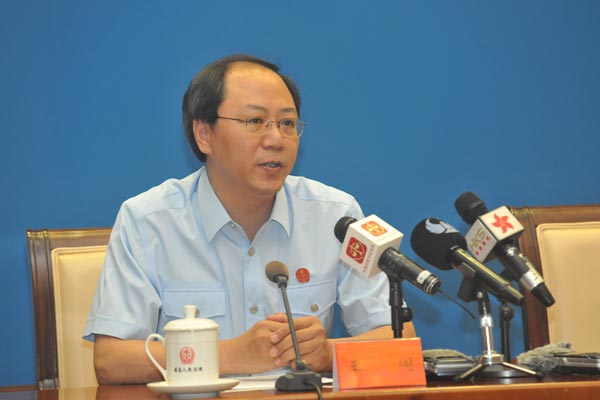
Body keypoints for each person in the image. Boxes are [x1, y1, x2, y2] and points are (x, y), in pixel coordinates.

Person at [84, 54, 416, 385]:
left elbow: (399, 339)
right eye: (255, 121)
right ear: (204, 134)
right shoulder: (148, 222)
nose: (276, 140)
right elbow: (112, 361)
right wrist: (230, 355)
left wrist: (326, 353)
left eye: (287, 123)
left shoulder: (336, 216)